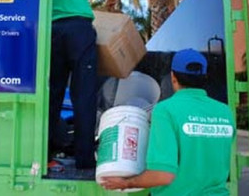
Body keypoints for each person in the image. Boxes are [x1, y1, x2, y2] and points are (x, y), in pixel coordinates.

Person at [101, 48, 235, 195]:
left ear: (173, 77)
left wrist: (126, 183)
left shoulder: (166, 110)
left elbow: (163, 175)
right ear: (204, 77)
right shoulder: (225, 112)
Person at [48, 0, 124, 170]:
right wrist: (110, 2)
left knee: (52, 97)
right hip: (79, 32)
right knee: (84, 97)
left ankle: (46, 155)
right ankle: (84, 161)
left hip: (51, 33)